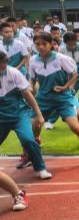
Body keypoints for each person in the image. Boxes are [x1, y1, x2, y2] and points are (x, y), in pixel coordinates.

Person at [28, 31, 79, 163]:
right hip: (44, 99)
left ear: (51, 44)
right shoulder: (33, 61)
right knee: (33, 124)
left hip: (63, 98)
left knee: (75, 126)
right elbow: (32, 79)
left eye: (44, 44)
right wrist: (30, 88)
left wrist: (65, 87)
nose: (41, 47)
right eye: (37, 44)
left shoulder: (62, 59)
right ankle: (30, 149)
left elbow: (74, 75)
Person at [0, 51, 52, 179]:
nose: (3, 67)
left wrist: (39, 115)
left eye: (4, 65)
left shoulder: (14, 73)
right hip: (1, 117)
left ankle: (40, 168)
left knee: (28, 140)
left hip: (19, 114)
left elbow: (28, 95)